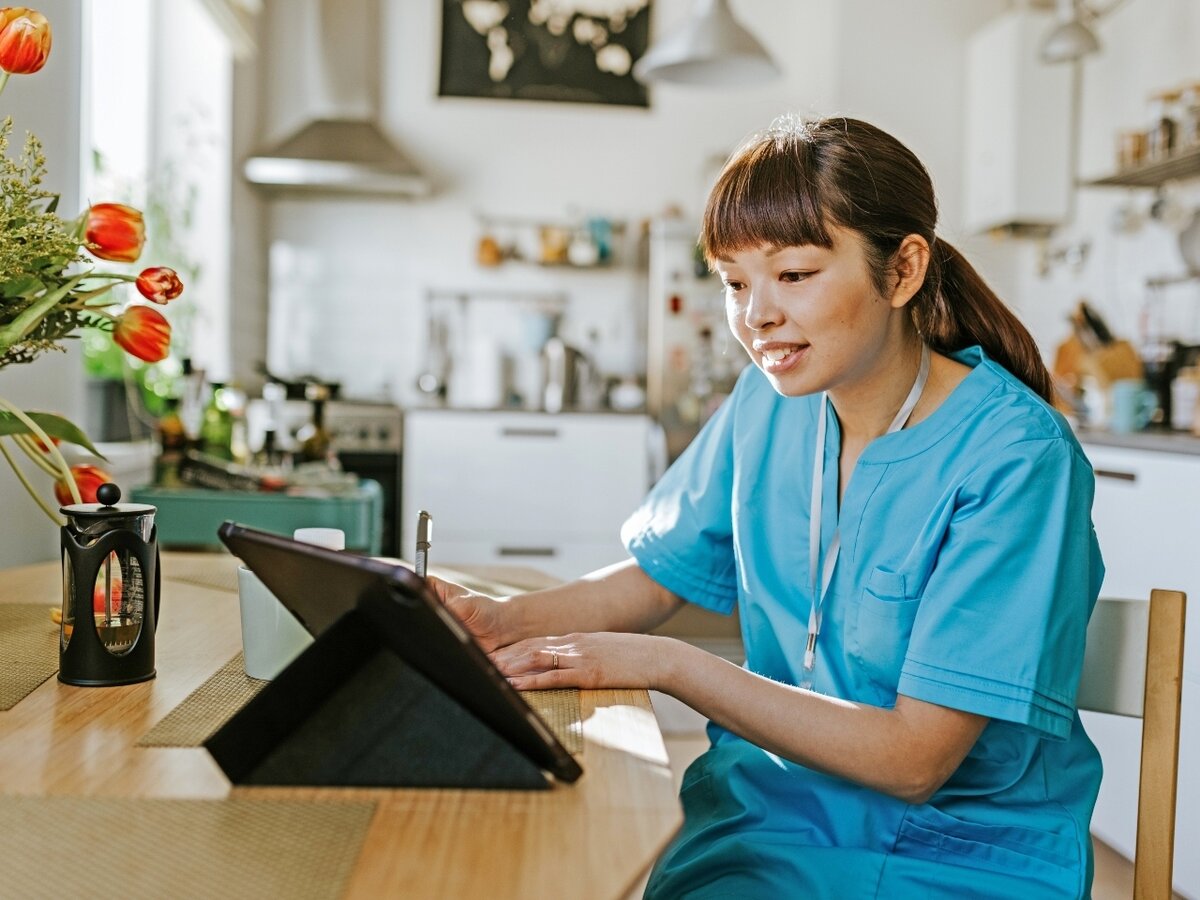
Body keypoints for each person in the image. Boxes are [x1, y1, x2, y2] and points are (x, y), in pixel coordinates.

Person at [430, 115, 1104, 899]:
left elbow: (914, 761)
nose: (756, 317)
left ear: (903, 270)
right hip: (765, 817)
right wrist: (501, 622)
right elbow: (659, 575)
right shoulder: (768, 401)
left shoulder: (1016, 456)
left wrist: (670, 664)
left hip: (959, 853)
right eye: (735, 282)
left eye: (794, 275)